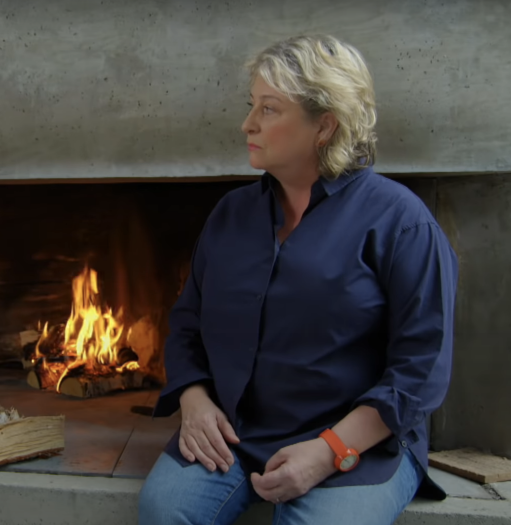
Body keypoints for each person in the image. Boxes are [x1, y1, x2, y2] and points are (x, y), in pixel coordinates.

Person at [138, 35, 458, 525]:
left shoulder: (403, 224)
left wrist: (329, 450)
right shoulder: (229, 216)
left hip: (358, 446)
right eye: (252, 106)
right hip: (235, 436)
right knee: (165, 511)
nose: (247, 124)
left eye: (270, 109)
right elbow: (187, 326)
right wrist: (195, 401)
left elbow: (420, 371)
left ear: (324, 125)